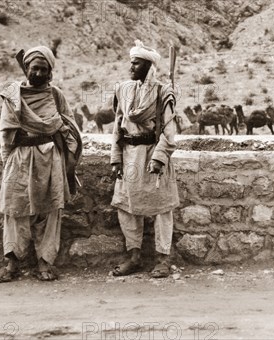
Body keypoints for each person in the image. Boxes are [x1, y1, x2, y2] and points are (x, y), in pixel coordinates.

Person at [0, 46, 82, 283]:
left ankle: (45, 262)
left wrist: (69, 161)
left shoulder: (56, 96)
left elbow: (70, 128)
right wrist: (7, 164)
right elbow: (6, 134)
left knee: (50, 211)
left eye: (44, 69)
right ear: (27, 69)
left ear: (50, 71)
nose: (39, 74)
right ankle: (11, 262)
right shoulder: (13, 95)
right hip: (19, 159)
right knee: (14, 210)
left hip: (50, 159)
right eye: (35, 68)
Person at [110, 40, 179, 278]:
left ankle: (163, 258)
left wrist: (159, 158)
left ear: (149, 66)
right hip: (129, 156)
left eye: (136, 63)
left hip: (153, 155)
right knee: (126, 206)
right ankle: (134, 256)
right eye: (131, 62)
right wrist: (116, 157)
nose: (131, 66)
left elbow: (169, 132)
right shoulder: (123, 89)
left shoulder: (163, 92)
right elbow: (118, 127)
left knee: (162, 209)